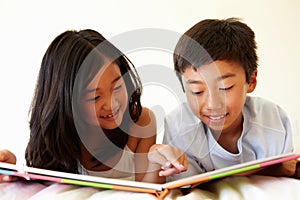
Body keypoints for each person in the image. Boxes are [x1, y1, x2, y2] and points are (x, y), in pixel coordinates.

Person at [0, 29, 187, 183]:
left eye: (117, 86)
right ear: (66, 102)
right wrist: (12, 172)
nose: (112, 104)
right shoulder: (54, 136)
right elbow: (45, 190)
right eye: (95, 97)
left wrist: (154, 161)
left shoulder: (140, 122)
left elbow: (151, 193)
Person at [163, 18, 298, 180]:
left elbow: (286, 179)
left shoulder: (273, 121)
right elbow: (183, 188)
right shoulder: (179, 126)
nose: (212, 105)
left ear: (251, 81)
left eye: (225, 88)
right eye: (197, 91)